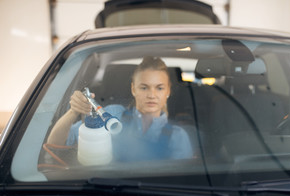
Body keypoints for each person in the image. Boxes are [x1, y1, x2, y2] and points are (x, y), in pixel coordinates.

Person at [47, 56, 193, 161]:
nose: (152, 95)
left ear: (168, 91)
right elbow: (55, 144)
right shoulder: (111, 115)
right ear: (133, 89)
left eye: (159, 88)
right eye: (144, 87)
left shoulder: (178, 137)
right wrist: (73, 112)